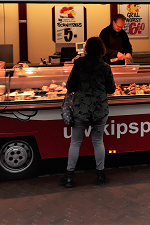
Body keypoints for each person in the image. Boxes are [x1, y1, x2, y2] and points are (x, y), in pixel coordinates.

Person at [61, 36, 116, 188]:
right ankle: (100, 176)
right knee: (98, 142)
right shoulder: (105, 66)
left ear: (86, 49)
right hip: (100, 109)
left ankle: (70, 177)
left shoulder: (79, 64)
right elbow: (111, 89)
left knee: (75, 142)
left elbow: (70, 86)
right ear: (102, 49)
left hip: (81, 109)